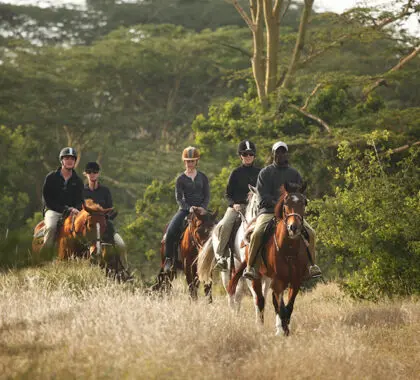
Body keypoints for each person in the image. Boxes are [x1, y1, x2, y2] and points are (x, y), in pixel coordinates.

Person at [242, 141, 322, 280]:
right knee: (257, 233)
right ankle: (251, 268)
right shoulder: (265, 173)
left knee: (311, 233)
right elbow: (262, 197)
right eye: (277, 152)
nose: (280, 155)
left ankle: (312, 266)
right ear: (273, 154)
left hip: (291, 213)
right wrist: (279, 204)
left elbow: (299, 194)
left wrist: (296, 204)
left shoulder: (294, 174)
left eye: (283, 152)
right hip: (268, 212)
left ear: (287, 154)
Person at [214, 140, 260, 271]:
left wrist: (255, 195)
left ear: (254, 156)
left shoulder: (261, 173)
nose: (248, 156)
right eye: (245, 154)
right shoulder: (235, 173)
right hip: (238, 207)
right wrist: (234, 204)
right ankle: (221, 255)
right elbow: (228, 194)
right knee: (226, 224)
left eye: (250, 154)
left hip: (256, 207)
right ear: (241, 156)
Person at [163, 146, 210, 273]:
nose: (190, 163)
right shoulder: (180, 179)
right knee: (171, 231)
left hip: (201, 210)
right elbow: (179, 198)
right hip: (185, 210)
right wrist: (189, 208)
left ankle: (218, 258)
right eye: (188, 161)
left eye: (192, 161)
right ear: (184, 162)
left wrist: (203, 207)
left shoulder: (203, 177)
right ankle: (169, 259)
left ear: (196, 161)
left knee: (216, 228)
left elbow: (207, 195)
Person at [82, 161, 129, 268]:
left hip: (104, 225)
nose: (92, 174)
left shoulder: (105, 191)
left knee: (121, 245)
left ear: (98, 174)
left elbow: (110, 208)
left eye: (95, 172)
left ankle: (125, 270)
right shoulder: (82, 192)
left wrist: (107, 217)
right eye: (89, 172)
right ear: (85, 174)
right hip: (88, 228)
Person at [42, 147, 84, 250]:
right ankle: (45, 255)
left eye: (72, 159)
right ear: (62, 160)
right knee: (51, 227)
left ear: (75, 161)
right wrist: (65, 209)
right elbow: (47, 200)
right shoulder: (51, 177)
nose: (69, 161)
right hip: (53, 211)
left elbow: (80, 200)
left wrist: (76, 209)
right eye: (67, 158)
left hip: (73, 212)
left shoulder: (78, 181)